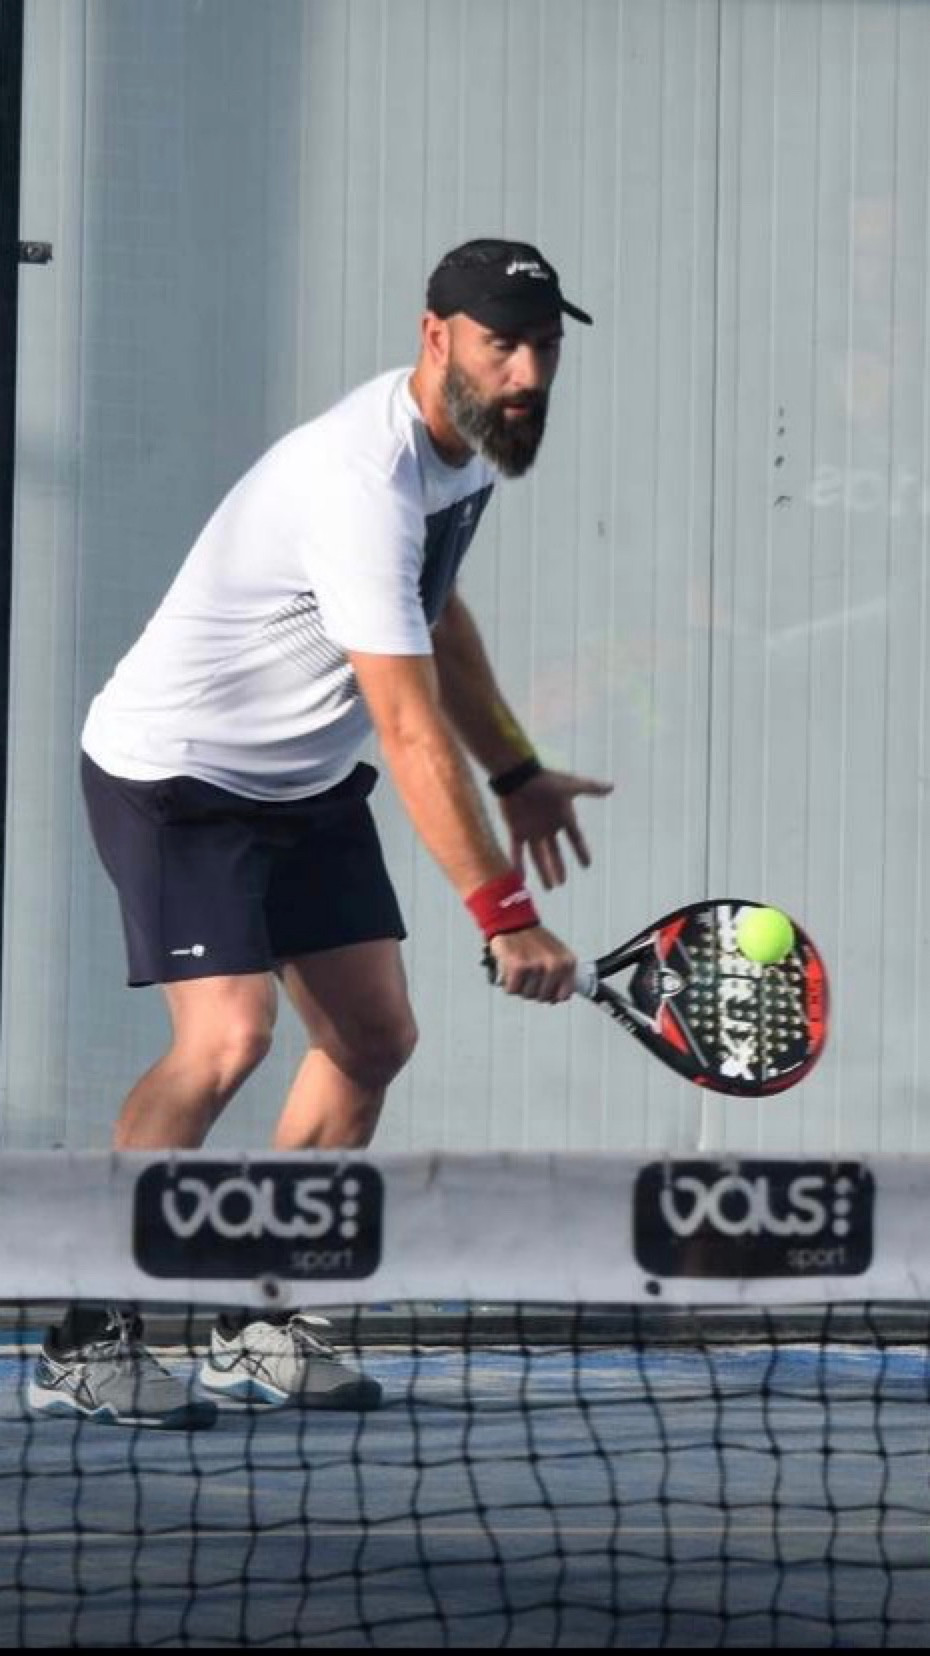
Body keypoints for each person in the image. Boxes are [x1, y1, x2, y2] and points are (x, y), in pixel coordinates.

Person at [29, 238, 612, 1429]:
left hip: (301, 783)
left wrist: (515, 770)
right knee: (227, 1038)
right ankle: (86, 1336)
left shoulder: (468, 449)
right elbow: (404, 725)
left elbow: (435, 614)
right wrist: (505, 914)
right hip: (179, 774)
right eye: (503, 344)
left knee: (372, 1037)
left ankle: (257, 1318)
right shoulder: (361, 480)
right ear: (435, 337)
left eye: (546, 347)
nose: (528, 374)